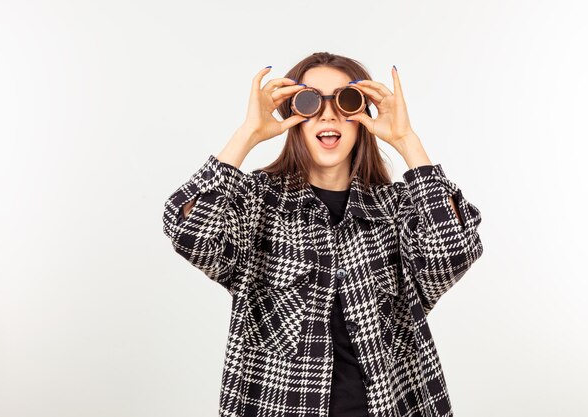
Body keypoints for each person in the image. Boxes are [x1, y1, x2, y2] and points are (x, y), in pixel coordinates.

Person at [163, 52, 484, 417]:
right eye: (310, 101)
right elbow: (189, 232)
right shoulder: (259, 203)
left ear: (363, 117)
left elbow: (454, 253)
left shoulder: (396, 209)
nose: (329, 115)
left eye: (346, 102)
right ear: (293, 116)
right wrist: (248, 134)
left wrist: (407, 140)